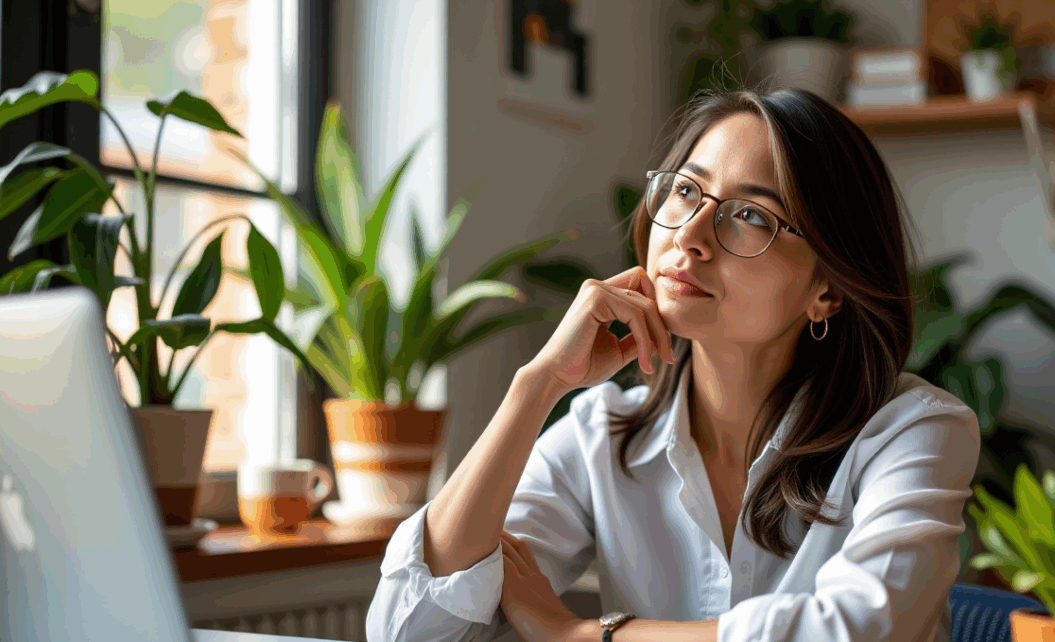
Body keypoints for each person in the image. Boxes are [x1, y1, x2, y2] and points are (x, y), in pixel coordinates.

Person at [365, 86, 980, 642]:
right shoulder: (602, 435)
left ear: (827, 288)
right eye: (685, 190)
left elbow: (858, 631)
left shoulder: (915, 431)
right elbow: (412, 630)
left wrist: (584, 637)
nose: (691, 234)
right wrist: (538, 385)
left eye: (751, 215)